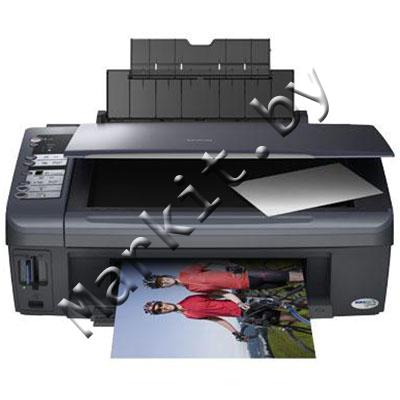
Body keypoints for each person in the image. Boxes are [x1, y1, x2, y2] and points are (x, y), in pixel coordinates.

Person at [143, 294, 296, 342]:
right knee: (283, 318)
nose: (163, 308)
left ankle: (302, 306)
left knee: (288, 305)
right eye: (160, 311)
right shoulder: (188, 315)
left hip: (244, 305)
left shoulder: (191, 298)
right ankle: (303, 317)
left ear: (162, 301)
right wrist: (235, 332)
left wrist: (238, 302)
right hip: (243, 315)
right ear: (162, 314)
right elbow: (217, 320)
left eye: (160, 305)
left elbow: (223, 293)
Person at [143, 261, 303, 292]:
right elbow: (220, 293)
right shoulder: (190, 289)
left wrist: (229, 265)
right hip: (248, 286)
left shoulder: (186, 271)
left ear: (164, 276)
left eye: (162, 280)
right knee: (286, 283)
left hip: (246, 275)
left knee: (293, 276)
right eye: (162, 284)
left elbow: (209, 261)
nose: (165, 282)